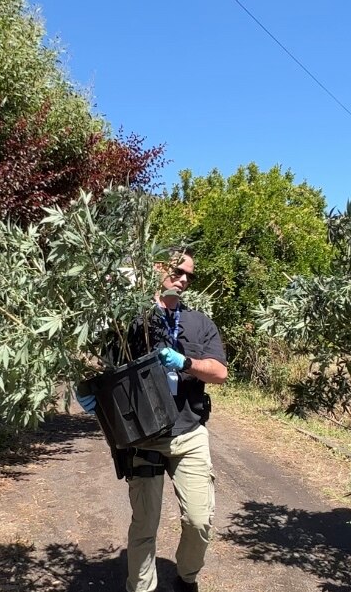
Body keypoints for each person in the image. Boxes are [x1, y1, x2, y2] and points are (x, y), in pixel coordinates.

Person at [112, 247, 228, 592]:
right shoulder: (131, 320)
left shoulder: (199, 323)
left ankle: (187, 577)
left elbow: (220, 373)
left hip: (189, 432)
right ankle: (141, 587)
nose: (183, 279)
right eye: (178, 270)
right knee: (144, 524)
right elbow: (101, 365)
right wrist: (91, 393)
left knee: (199, 519)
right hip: (144, 436)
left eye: (189, 275)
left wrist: (186, 363)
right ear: (158, 269)